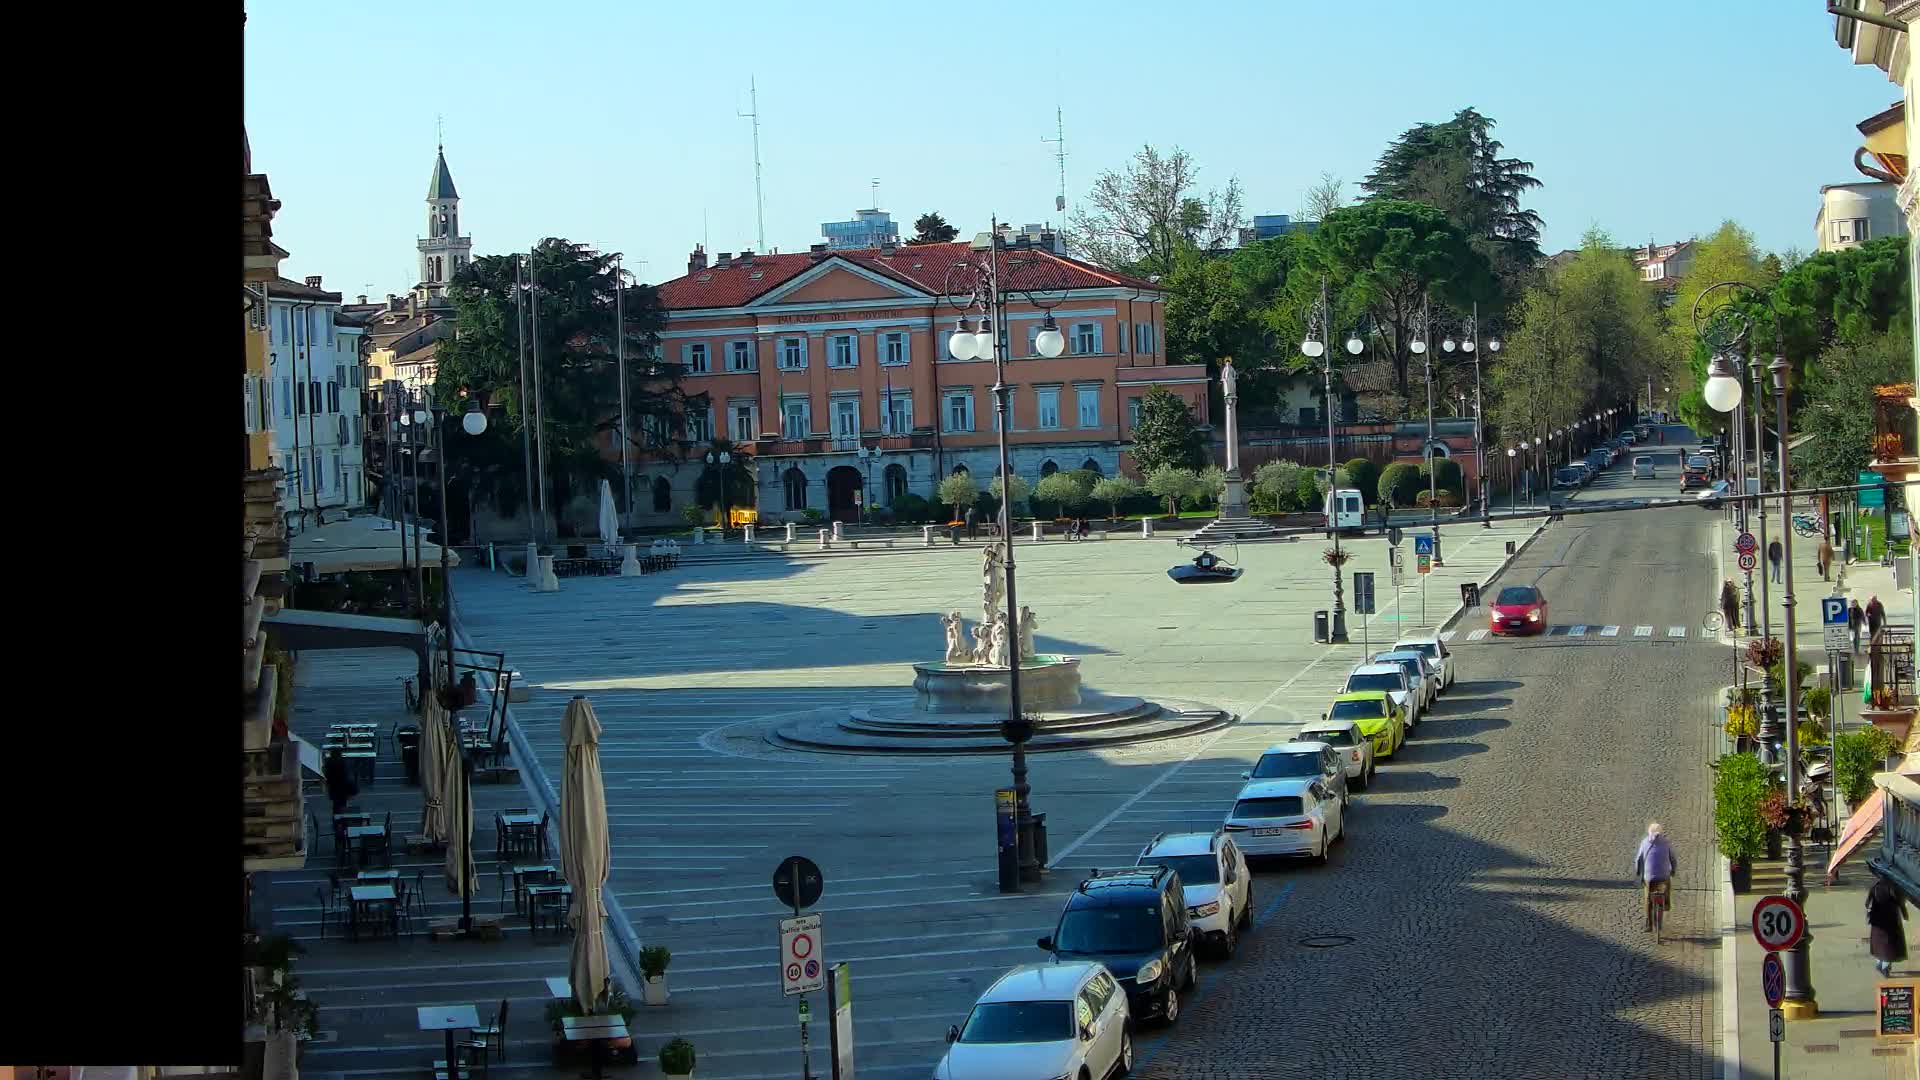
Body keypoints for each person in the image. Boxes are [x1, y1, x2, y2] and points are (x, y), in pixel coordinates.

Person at [1633, 822, 1678, 932]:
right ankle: (1666, 903)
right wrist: (1673, 871)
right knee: (1667, 885)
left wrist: (1639, 873)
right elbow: (1673, 859)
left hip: (1649, 877)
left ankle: (1648, 924)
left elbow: (1638, 859)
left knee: (1648, 898)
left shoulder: (1644, 842)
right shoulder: (1666, 842)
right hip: (1663, 875)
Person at [1868, 875, 1909, 978]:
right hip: (1891, 920)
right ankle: (1885, 967)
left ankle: (1879, 964)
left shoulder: (1875, 886)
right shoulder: (1894, 887)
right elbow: (1901, 904)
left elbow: (1867, 903)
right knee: (1889, 945)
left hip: (1877, 921)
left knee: (1878, 944)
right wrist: (1905, 916)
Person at [322, 748, 358, 816]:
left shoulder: (329, 763)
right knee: (342, 805)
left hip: (333, 787)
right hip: (343, 788)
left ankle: (336, 819)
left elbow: (326, 774)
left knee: (336, 805)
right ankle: (342, 819)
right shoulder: (343, 762)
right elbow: (348, 775)